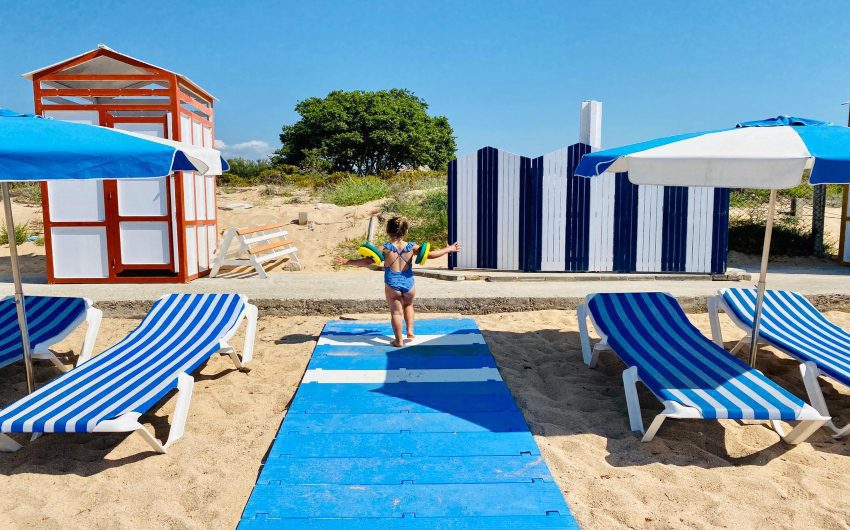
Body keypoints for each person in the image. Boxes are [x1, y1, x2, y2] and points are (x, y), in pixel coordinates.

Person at [335, 215, 461, 347]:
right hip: (409, 282)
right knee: (408, 305)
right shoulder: (412, 246)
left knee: (395, 312)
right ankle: (410, 331)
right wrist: (449, 249)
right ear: (406, 231)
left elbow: (367, 261)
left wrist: (348, 261)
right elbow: (430, 254)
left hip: (392, 283)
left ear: (387, 231)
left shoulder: (385, 248)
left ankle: (399, 340)